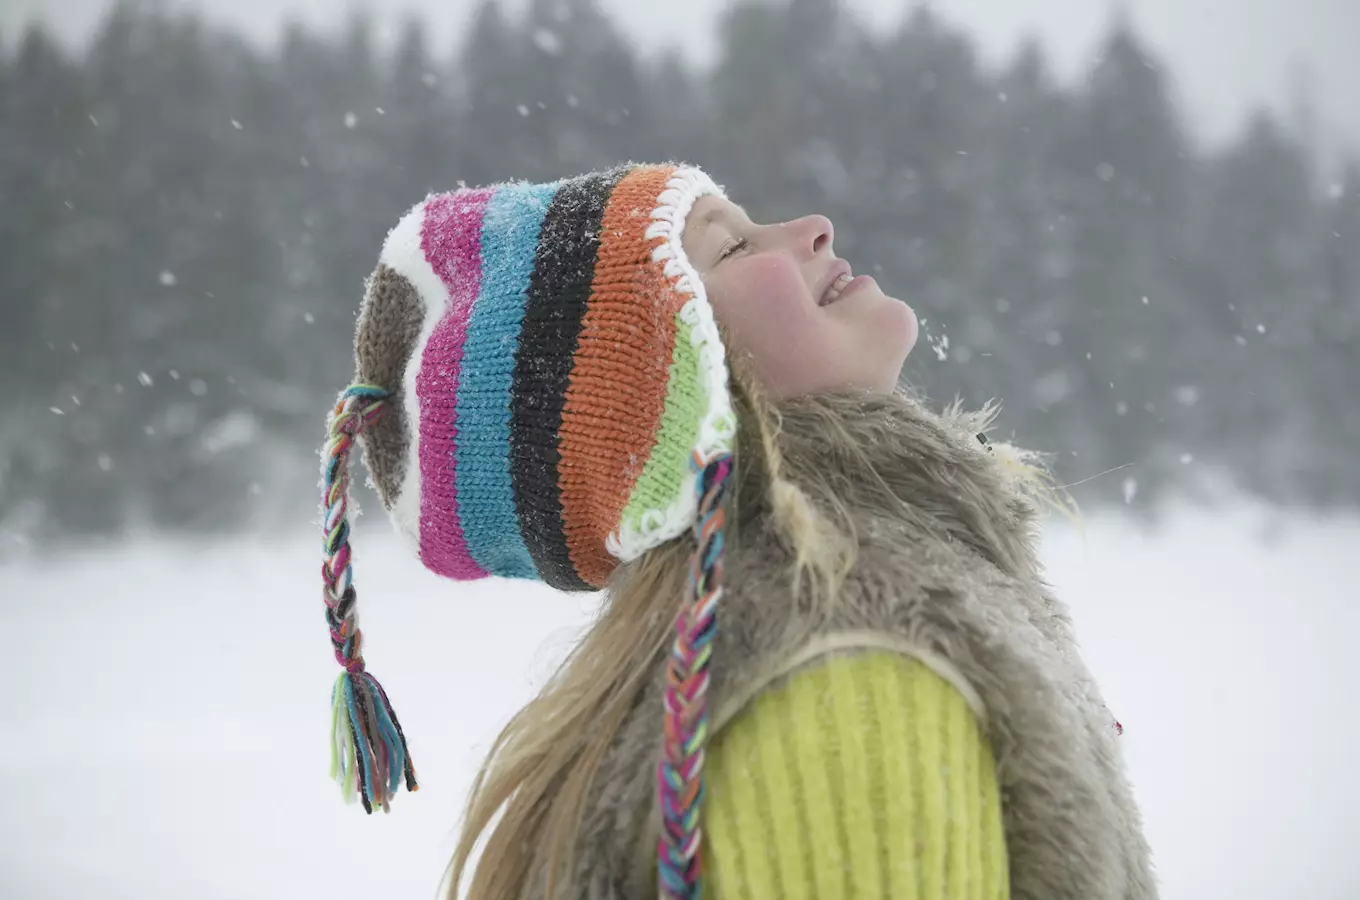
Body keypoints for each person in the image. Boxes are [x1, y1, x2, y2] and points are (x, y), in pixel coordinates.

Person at [316, 162, 1156, 900]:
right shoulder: (851, 670)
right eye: (734, 248)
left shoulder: (866, 609)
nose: (812, 228)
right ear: (658, 391)